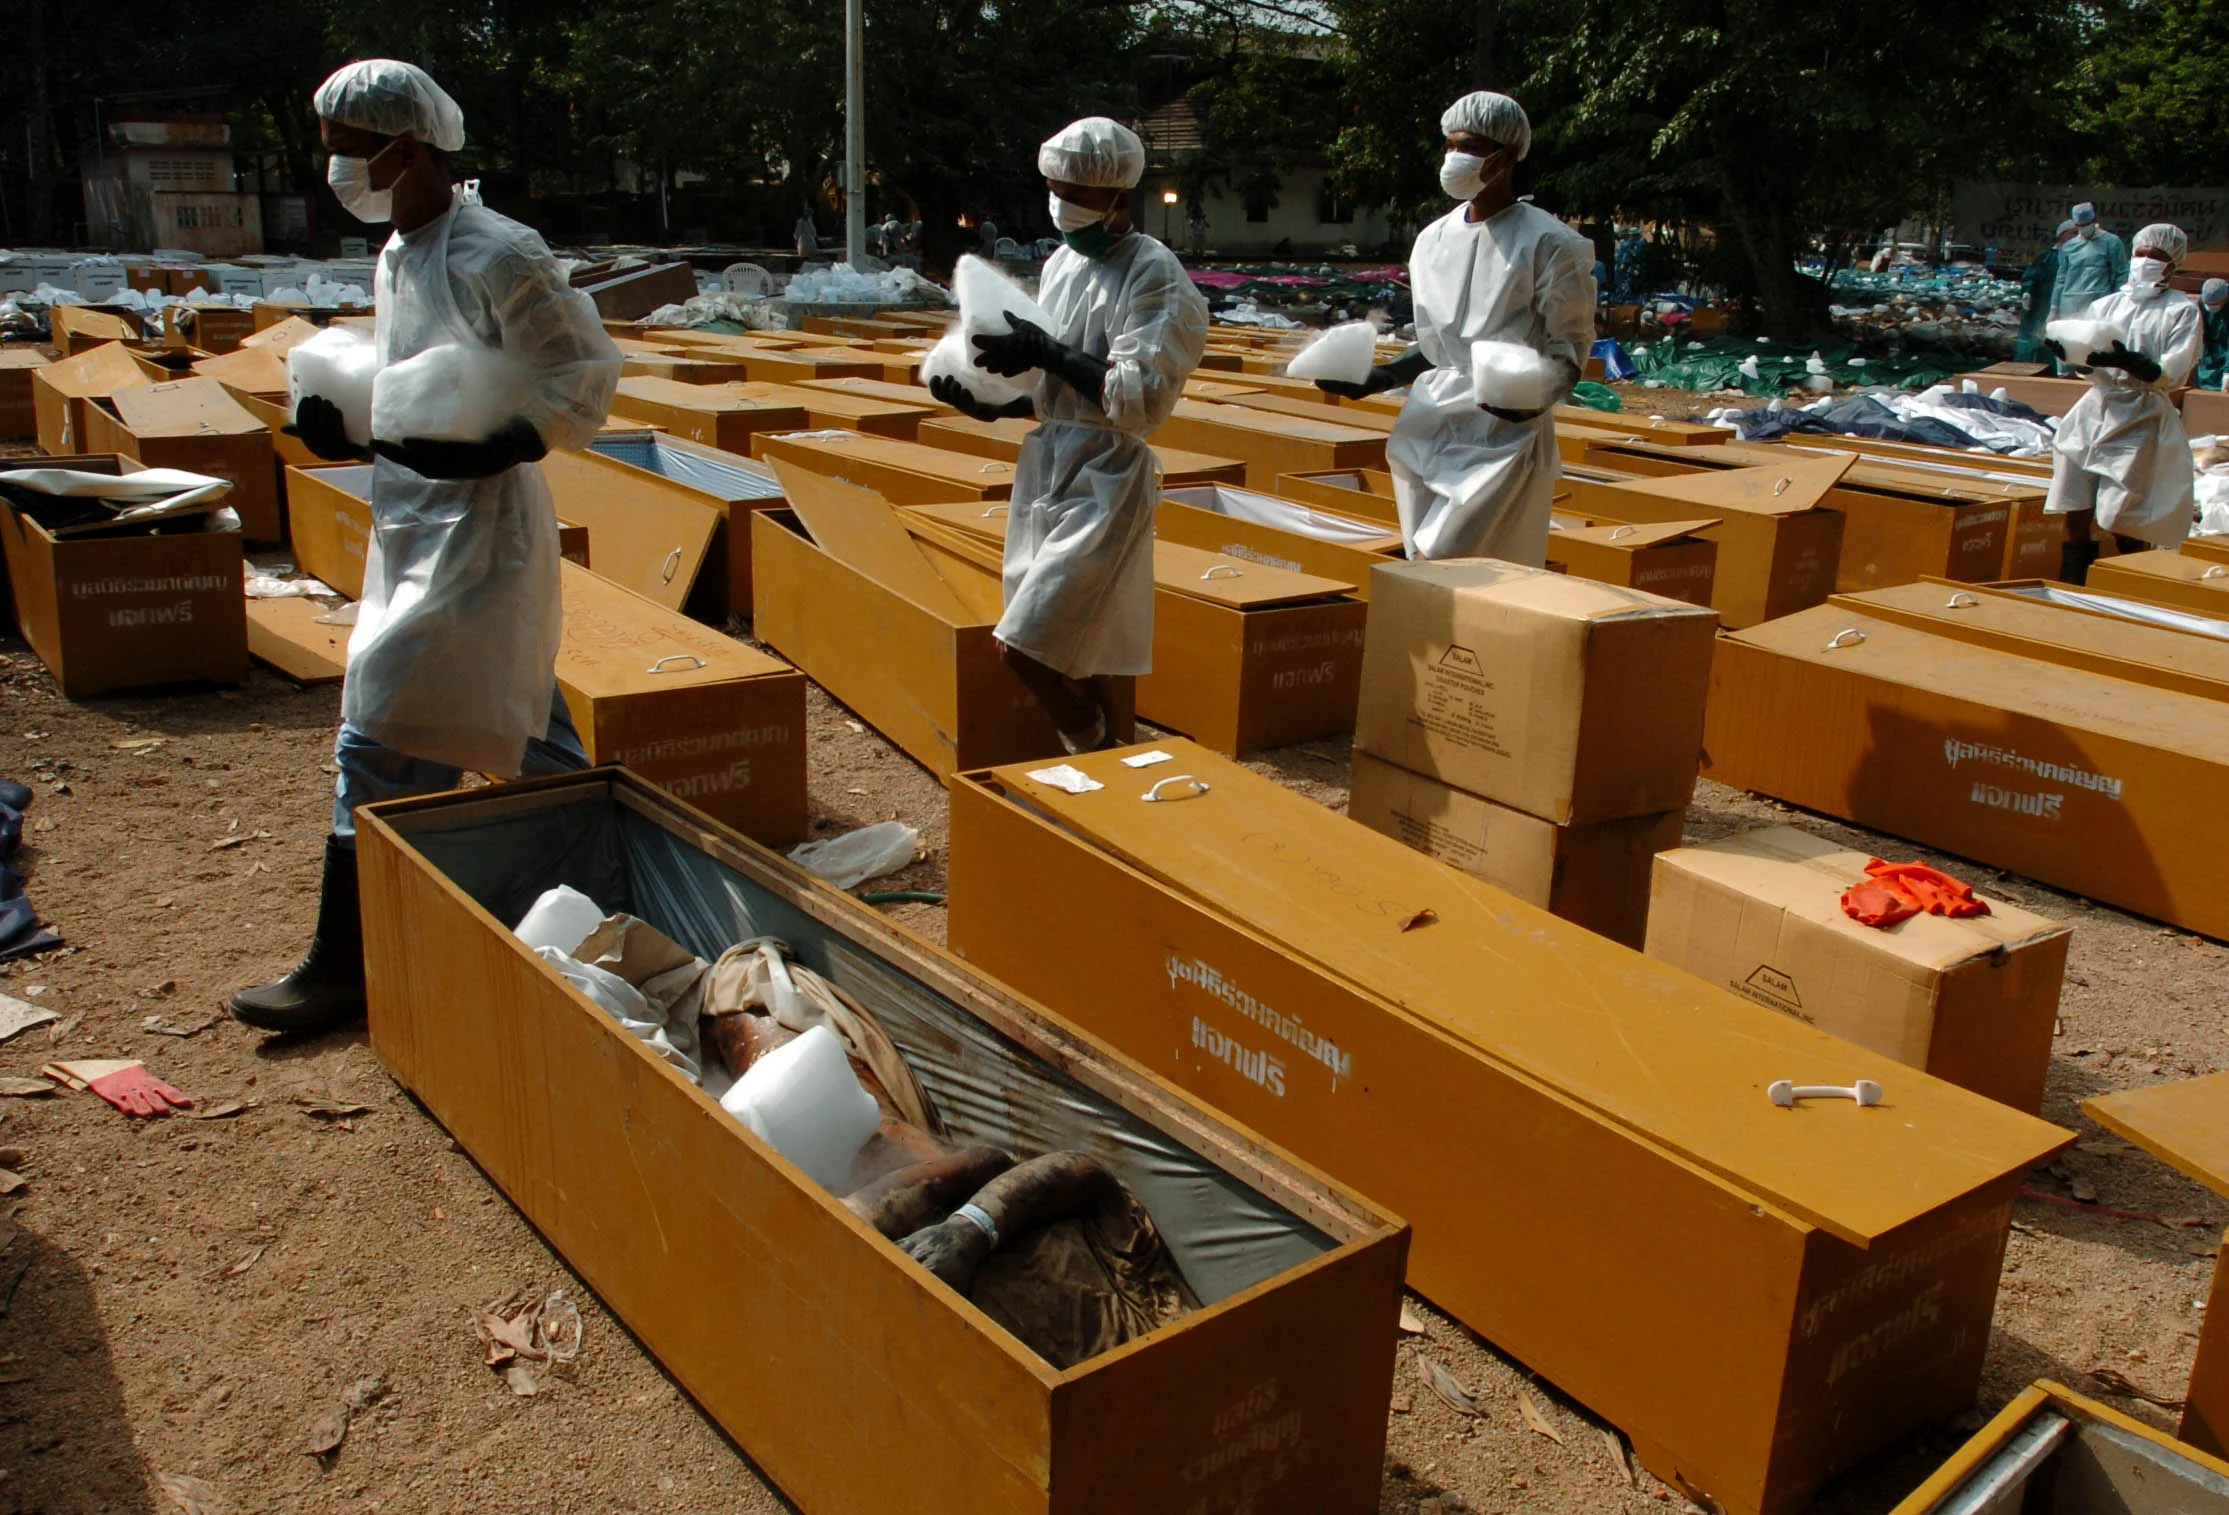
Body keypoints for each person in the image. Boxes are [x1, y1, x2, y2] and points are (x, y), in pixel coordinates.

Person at [230, 59, 621, 1033]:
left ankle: (341, 961)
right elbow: (419, 390)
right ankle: (617, 884)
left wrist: (499, 441)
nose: (337, 172)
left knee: (379, 727)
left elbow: (580, 374)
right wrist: (357, 431)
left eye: (349, 154)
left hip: (480, 531)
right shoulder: (402, 251)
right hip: (412, 519)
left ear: (407, 149)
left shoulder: (499, 252)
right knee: (525, 722)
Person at [923, 117, 1207, 753]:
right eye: (1054, 188)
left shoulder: (1154, 276)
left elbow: (1133, 402)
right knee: (1091, 646)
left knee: (1024, 645)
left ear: (1117, 196)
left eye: (1077, 193)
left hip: (1107, 477)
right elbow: (1062, 394)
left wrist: (1045, 352)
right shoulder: (1061, 267)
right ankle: (1116, 773)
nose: (1062, 204)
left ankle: (1090, 744)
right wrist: (998, 407)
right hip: (1050, 465)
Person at [1312, 91, 1593, 563]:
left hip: (1503, 437)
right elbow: (1437, 345)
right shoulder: (1432, 239)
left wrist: (1532, 396)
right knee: (1425, 568)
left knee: (1464, 565)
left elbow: (1568, 352)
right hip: (1427, 424)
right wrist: (1380, 376)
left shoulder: (1550, 243)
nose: (1455, 158)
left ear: (1506, 156)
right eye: (1450, 146)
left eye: (1472, 147)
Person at [2046, 222, 2203, 583]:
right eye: (2141, 253)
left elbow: (2171, 372)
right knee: (2074, 500)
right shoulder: (2106, 305)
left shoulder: (2180, 311)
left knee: (2123, 513)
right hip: (2096, 407)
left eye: (2157, 256)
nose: (2146, 260)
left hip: (2140, 414)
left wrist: (2131, 362)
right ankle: (2073, 581)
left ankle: (2128, 581)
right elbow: (2088, 358)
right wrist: (2073, 355)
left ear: (2172, 263)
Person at [2051, 202, 2129, 324]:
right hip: (2070, 305)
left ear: (2094, 220)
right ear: (2075, 225)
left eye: (2087, 224)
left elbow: (2122, 274)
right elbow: (2061, 279)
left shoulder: (2111, 242)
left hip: (2100, 303)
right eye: (2080, 225)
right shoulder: (2068, 247)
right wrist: (2054, 307)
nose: (2084, 228)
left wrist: (2118, 302)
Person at [2015, 220, 2075, 364]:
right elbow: (2031, 276)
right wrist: (2027, 292)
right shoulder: (2047, 257)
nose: (2077, 237)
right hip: (2041, 305)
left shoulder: (2077, 258)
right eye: (2073, 233)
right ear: (2062, 235)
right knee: (2033, 340)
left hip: (2067, 306)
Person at [2198, 278, 2229, 391]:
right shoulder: (2202, 304)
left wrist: (2227, 371)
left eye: (2215, 304)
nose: (2211, 307)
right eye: (2208, 304)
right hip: (2211, 352)